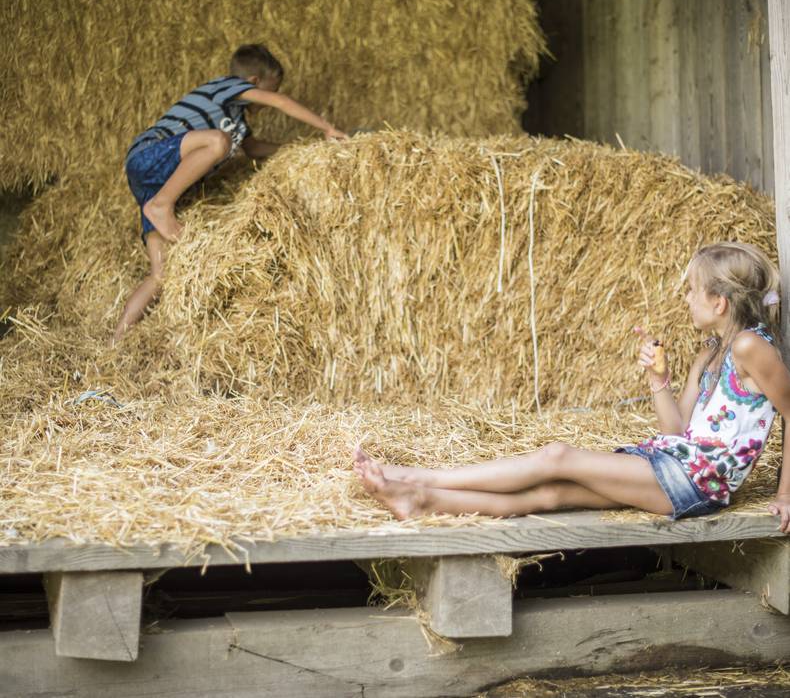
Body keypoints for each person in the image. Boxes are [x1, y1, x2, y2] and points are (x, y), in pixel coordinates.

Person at [354, 242, 790, 532]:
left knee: (557, 457)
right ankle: (421, 500)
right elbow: (677, 433)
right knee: (551, 494)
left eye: (692, 291)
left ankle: (414, 476)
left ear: (719, 302)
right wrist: (659, 380)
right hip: (677, 463)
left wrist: (786, 495)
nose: (686, 300)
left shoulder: (751, 347)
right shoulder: (710, 352)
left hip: (698, 483)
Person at [113, 43, 347, 342]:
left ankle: (115, 342)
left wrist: (301, 148)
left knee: (160, 274)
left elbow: (253, 149)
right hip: (149, 156)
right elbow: (281, 103)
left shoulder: (236, 124)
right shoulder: (226, 88)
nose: (266, 102)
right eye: (270, 90)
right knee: (217, 142)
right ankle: (162, 205)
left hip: (155, 182)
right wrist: (326, 129)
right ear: (253, 83)